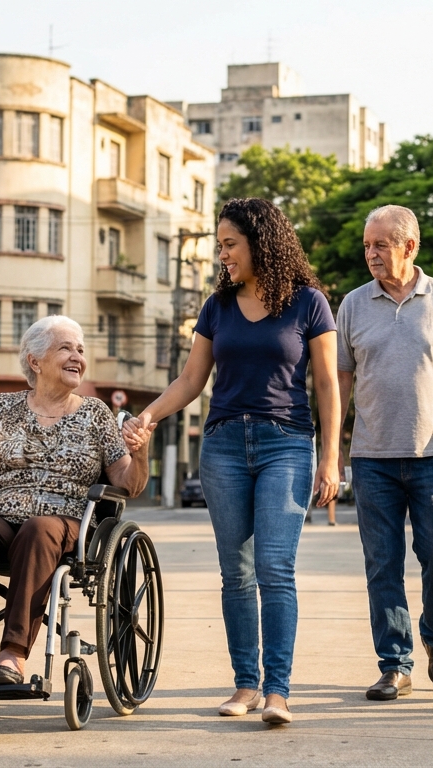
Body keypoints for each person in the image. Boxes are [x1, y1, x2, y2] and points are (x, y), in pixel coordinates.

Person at [125, 198, 341, 726]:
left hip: (286, 443)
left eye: (229, 244)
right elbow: (191, 381)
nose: (222, 255)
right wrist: (146, 417)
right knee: (236, 572)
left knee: (274, 567)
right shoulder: (216, 306)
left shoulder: (309, 303)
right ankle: (245, 683)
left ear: (260, 242)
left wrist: (331, 458)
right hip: (222, 445)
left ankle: (278, 690)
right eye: (218, 245)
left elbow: (329, 384)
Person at [0, 315, 151, 692]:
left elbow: (128, 484)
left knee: (39, 530)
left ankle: (13, 656)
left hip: (64, 522)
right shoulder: (4, 407)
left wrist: (141, 454)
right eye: (65, 348)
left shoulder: (95, 414)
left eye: (81, 350)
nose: (77, 357)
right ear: (35, 361)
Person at [335, 204, 433, 702]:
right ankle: (395, 663)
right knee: (382, 563)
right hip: (373, 458)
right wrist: (333, 452)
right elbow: (339, 381)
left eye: (380, 244)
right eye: (366, 245)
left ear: (409, 247)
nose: (371, 254)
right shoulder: (353, 304)